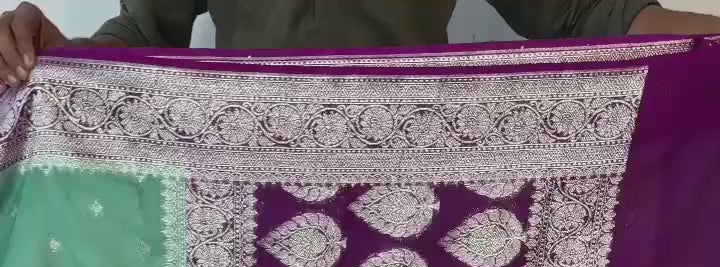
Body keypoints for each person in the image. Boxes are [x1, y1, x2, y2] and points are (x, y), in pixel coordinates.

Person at [1, 1, 720, 85]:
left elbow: (584, 13)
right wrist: (42, 56)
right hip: (236, 189)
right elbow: (140, 34)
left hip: (420, 190)